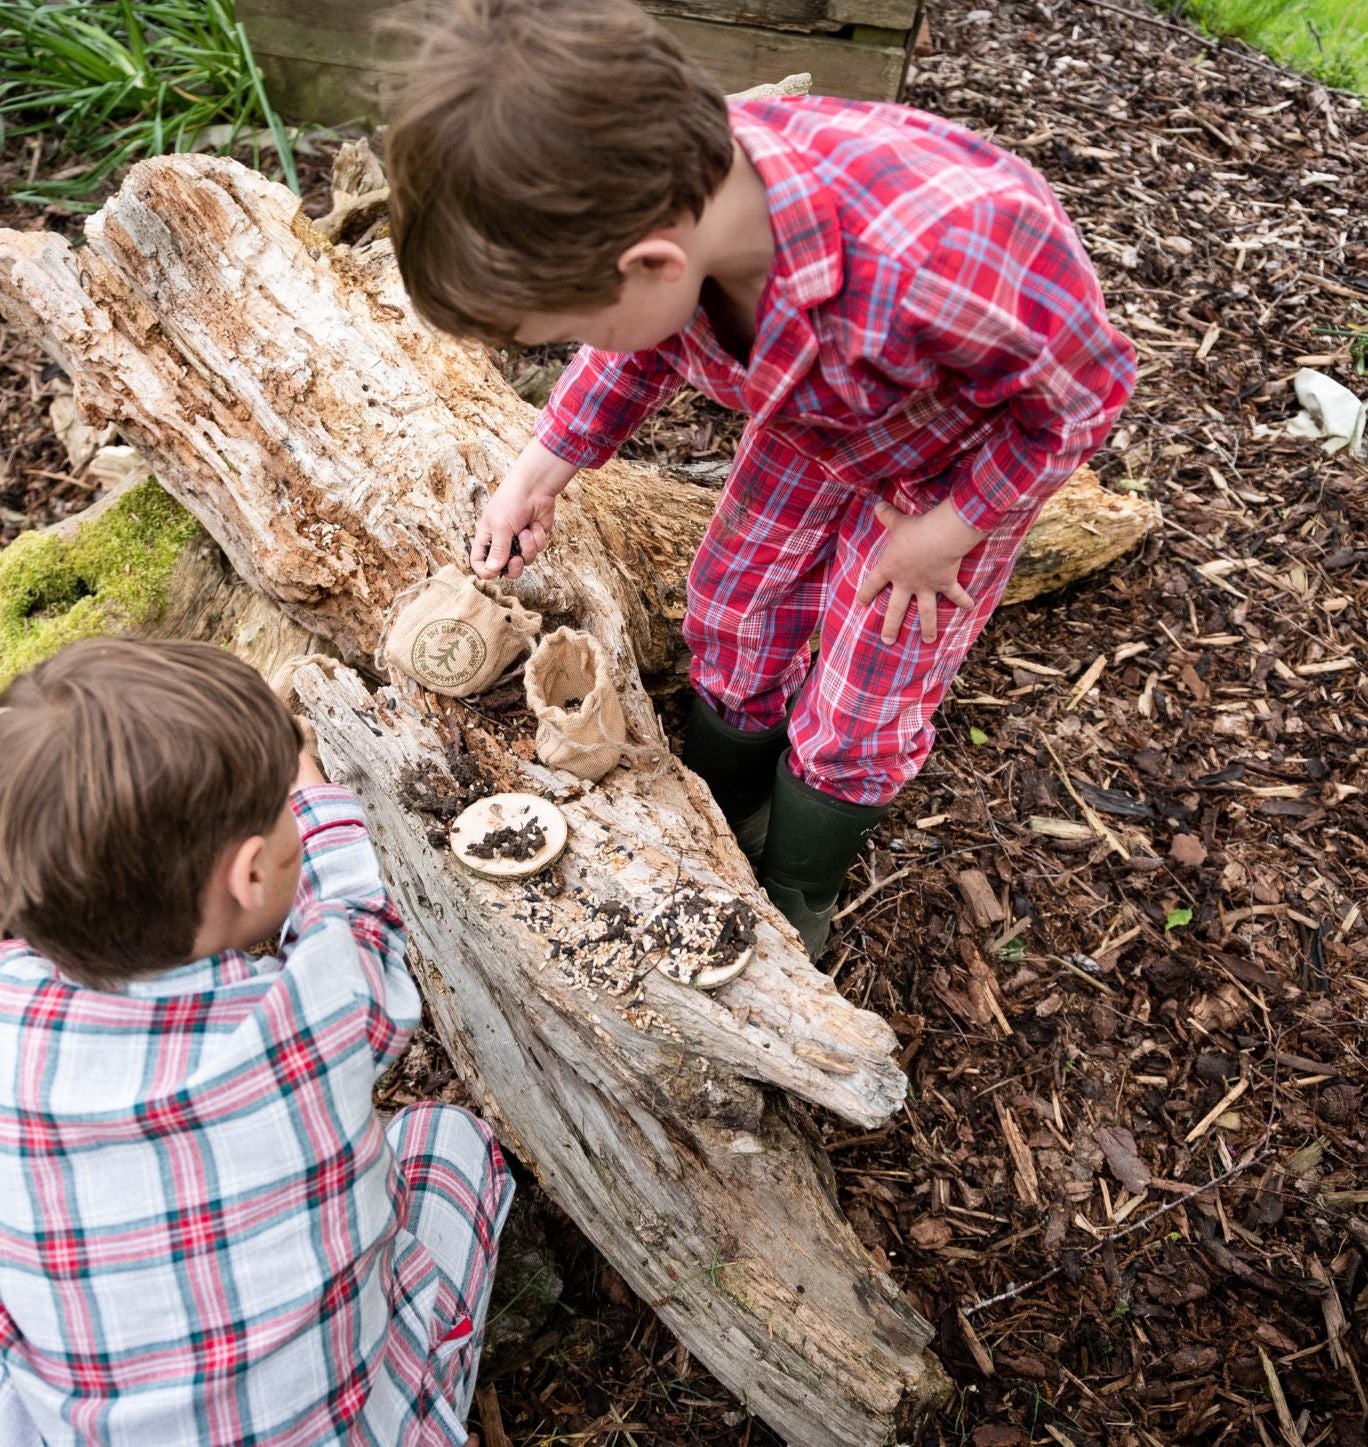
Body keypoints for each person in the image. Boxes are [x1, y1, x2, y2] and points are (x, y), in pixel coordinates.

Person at [384, 0, 1136, 958]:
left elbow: (1082, 399)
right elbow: (633, 351)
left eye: (568, 326)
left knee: (865, 690)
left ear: (654, 264)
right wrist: (542, 467)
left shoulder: (944, 259)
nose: (577, 345)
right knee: (733, 610)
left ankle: (798, 883)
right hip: (812, 426)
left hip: (951, 470)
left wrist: (951, 530)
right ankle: (721, 809)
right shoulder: (674, 229)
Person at [0, 638, 511, 1446]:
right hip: (337, 1429)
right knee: (448, 1139)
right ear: (250, 875)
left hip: (92, 1427)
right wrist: (317, 799)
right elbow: (366, 938)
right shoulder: (314, 1017)